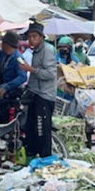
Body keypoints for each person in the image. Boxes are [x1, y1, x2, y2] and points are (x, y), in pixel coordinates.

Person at [22, 22, 57, 158]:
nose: (31, 39)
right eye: (29, 37)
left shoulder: (46, 50)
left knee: (42, 130)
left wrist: (31, 69)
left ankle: (45, 158)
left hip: (45, 96)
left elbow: (50, 74)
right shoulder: (35, 51)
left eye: (34, 36)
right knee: (31, 128)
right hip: (35, 94)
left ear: (41, 37)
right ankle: (32, 156)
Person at [0, 29, 27, 123]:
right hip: (1, 94)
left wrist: (7, 87)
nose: (1, 44)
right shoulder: (3, 54)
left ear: (7, 44)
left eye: (2, 42)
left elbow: (23, 77)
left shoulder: (18, 58)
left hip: (10, 96)